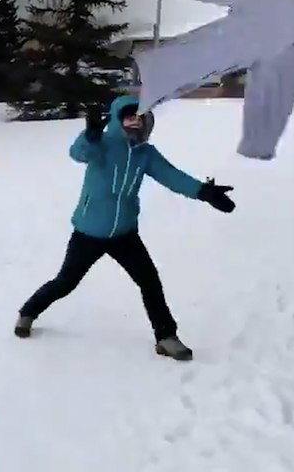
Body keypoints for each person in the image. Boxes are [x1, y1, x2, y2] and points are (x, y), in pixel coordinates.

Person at [14, 94, 236, 361]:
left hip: (124, 234)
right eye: (129, 118)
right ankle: (28, 311)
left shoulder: (146, 154)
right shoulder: (103, 145)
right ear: (119, 121)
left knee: (149, 282)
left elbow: (172, 176)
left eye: (139, 118)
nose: (135, 123)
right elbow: (79, 153)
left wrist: (203, 191)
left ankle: (166, 337)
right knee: (66, 282)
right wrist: (90, 136)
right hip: (88, 232)